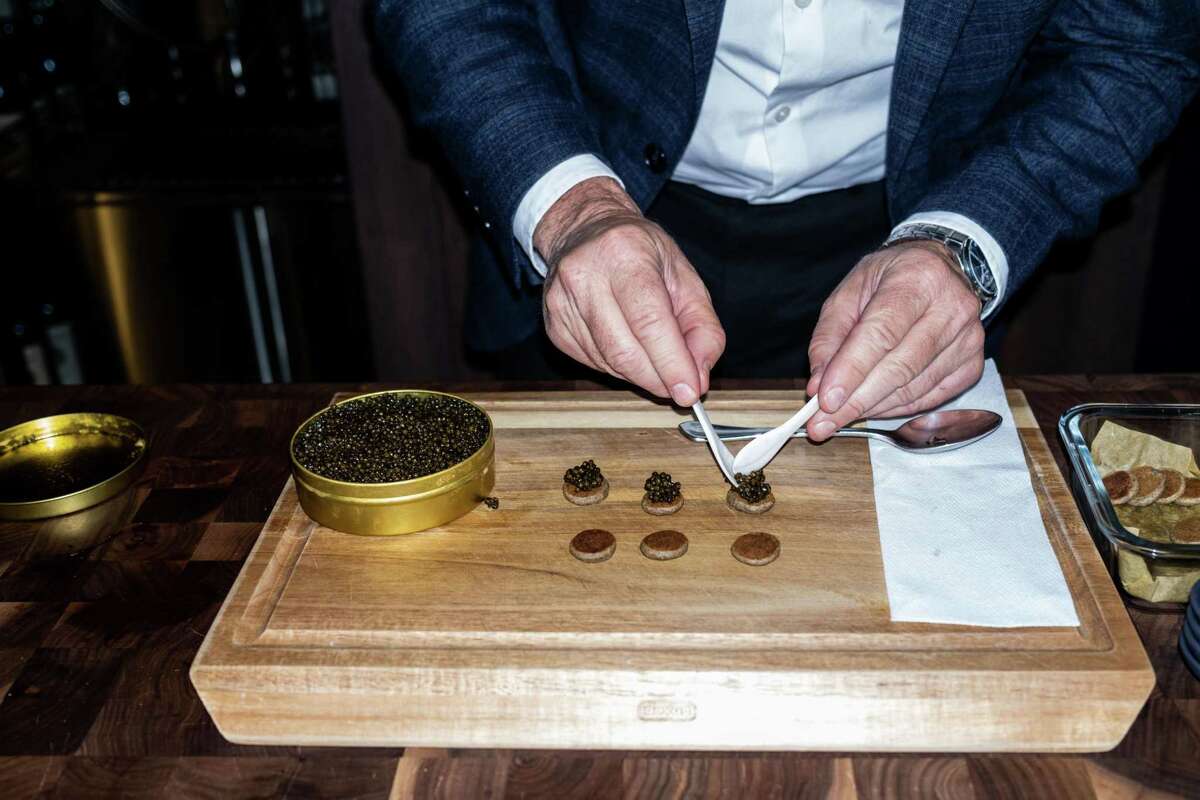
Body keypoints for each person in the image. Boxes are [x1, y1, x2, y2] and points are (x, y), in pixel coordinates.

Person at [374, 1, 1198, 441]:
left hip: (907, 239)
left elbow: (1133, 49)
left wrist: (966, 243)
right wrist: (573, 207)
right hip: (592, 215)